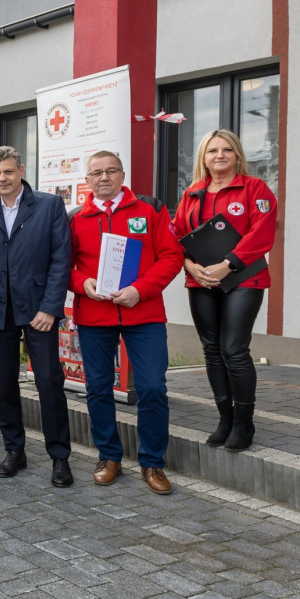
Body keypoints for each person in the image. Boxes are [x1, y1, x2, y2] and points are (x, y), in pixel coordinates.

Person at [70, 151, 184, 494]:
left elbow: (172, 256)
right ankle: (109, 456)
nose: (103, 177)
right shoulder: (76, 217)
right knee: (99, 389)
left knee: (152, 388)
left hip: (143, 312)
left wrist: (140, 290)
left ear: (122, 175)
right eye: (96, 173)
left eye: (110, 171)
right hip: (95, 314)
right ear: (87, 181)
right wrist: (82, 284)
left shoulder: (150, 209)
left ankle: (152, 463)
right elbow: (64, 266)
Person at [0, 146, 74, 487]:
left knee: (48, 382)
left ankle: (60, 457)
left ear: (21, 170)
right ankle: (15, 450)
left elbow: (61, 259)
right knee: (6, 385)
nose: (2, 179)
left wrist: (50, 308)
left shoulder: (49, 205)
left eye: (8, 172)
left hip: (38, 310)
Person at [171, 129, 277, 453]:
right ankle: (225, 419)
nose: (220, 155)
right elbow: (176, 235)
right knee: (212, 349)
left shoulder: (255, 188)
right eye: (213, 150)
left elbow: (262, 232)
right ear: (204, 156)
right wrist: (188, 265)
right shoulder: (191, 193)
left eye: (227, 150)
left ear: (237, 155)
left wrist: (228, 263)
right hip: (201, 280)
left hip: (243, 279)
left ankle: (245, 423)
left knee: (234, 349)